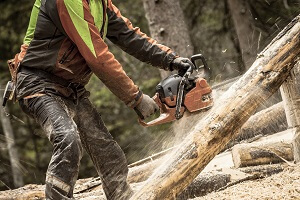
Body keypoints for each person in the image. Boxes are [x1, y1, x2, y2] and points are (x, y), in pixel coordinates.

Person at [14, 0, 193, 199]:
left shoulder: (100, 2)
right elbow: (97, 56)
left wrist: (169, 59)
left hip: (71, 87)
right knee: (68, 138)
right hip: (37, 83)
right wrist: (135, 97)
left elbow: (128, 35)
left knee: (107, 150)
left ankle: (122, 196)